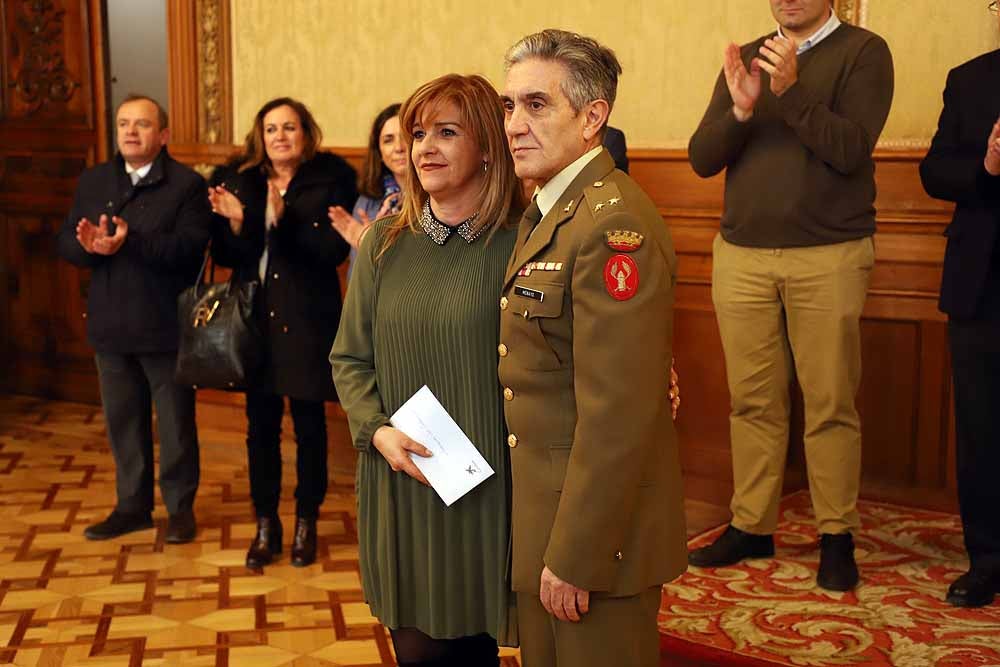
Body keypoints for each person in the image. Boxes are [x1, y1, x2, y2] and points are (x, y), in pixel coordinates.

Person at [687, 0, 894, 592]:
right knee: (751, 401)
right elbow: (703, 157)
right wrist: (741, 108)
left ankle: (836, 535)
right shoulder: (748, 58)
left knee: (830, 401)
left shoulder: (863, 52)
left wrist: (792, 91)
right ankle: (752, 524)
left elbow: (851, 150)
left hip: (829, 253)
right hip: (743, 254)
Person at [499, 29, 686, 667]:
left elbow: (618, 416)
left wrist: (575, 554)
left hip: (594, 545)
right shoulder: (550, 210)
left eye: (536, 105)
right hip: (547, 523)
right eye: (509, 106)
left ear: (593, 118)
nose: (515, 125)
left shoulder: (612, 226)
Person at [331, 74, 521, 667]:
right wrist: (378, 431)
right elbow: (349, 358)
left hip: (489, 487)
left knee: (475, 649)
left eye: (447, 131)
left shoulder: (521, 240)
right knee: (418, 651)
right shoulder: (384, 242)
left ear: (488, 145)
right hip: (401, 479)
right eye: (418, 133)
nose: (425, 147)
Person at [207, 97, 357, 569]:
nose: (279, 137)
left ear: (304, 133)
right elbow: (230, 256)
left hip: (309, 322)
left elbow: (330, 251)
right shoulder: (242, 181)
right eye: (271, 129)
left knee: (310, 427)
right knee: (261, 429)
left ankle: (306, 522)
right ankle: (266, 522)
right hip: (257, 324)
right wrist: (240, 220)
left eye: (288, 127)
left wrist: (281, 218)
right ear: (261, 137)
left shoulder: (329, 181)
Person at [56, 94, 209, 544]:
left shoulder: (185, 185)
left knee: (175, 425)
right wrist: (87, 246)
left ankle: (180, 509)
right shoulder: (95, 180)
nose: (130, 132)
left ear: (162, 135)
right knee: (123, 422)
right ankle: (132, 507)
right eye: (123, 123)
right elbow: (66, 240)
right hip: (110, 324)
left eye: (141, 124)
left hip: (164, 325)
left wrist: (130, 242)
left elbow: (189, 251)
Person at [919, 1, 1000, 608]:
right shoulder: (970, 78)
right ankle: (987, 559)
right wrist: (988, 166)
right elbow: (934, 171)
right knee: (980, 429)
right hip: (982, 285)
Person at [329, 103, 406, 273]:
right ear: (379, 152)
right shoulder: (367, 203)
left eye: (406, 137)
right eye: (388, 140)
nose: (399, 147)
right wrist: (366, 248)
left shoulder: (439, 197)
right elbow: (357, 278)